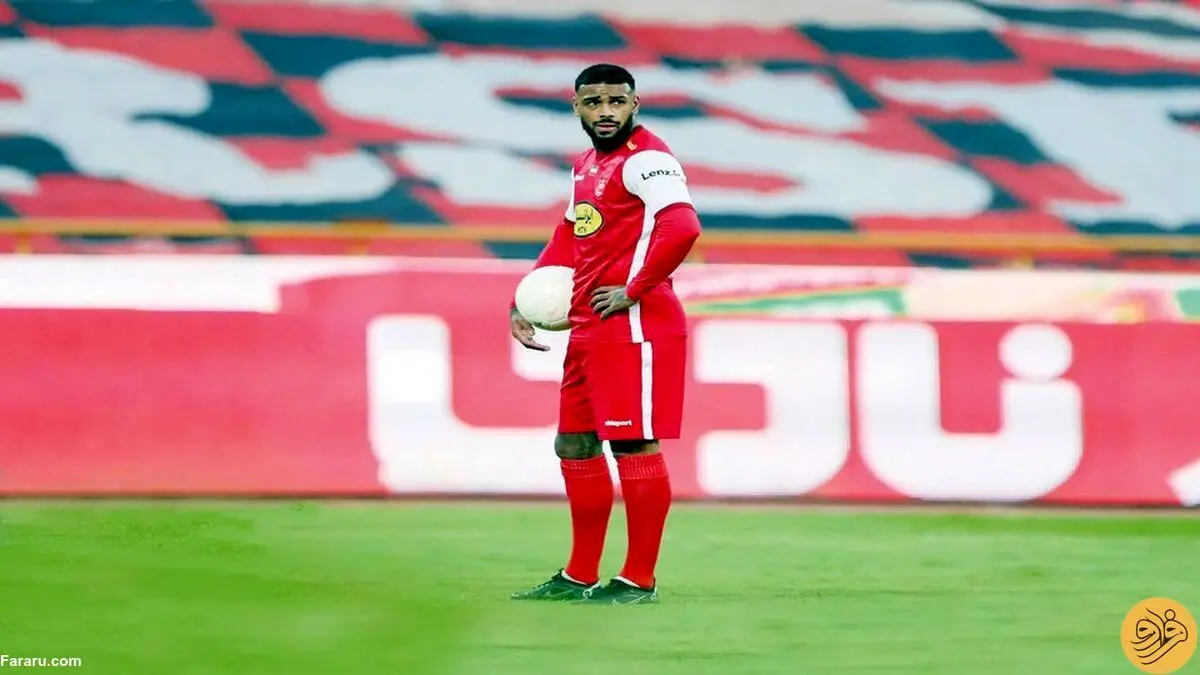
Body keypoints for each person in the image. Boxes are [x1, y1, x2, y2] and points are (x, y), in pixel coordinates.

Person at [508, 63, 703, 605]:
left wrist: (634, 288)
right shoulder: (587, 165)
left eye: (617, 101)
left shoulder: (649, 160)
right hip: (589, 325)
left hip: (634, 323)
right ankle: (578, 574)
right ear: (576, 106)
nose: (606, 111)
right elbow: (569, 235)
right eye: (593, 102)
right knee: (573, 443)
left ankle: (639, 579)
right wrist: (521, 299)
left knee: (632, 442)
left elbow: (683, 226)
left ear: (635, 104)